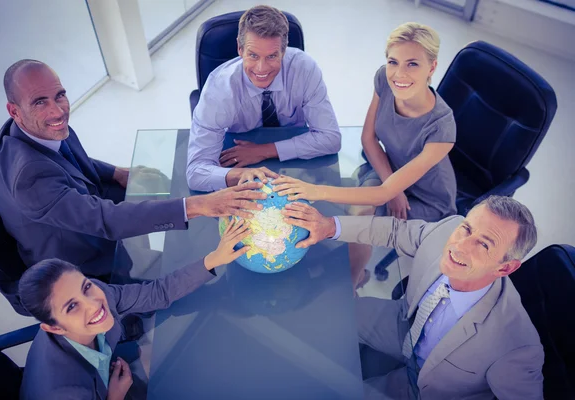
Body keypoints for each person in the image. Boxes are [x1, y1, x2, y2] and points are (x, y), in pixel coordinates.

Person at [0, 59, 268, 277]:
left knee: (162, 180)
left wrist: (118, 173)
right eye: (40, 102)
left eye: (60, 95)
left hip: (78, 205)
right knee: (177, 264)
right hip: (76, 260)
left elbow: (70, 160)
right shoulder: (29, 178)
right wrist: (199, 206)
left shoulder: (30, 129)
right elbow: (105, 220)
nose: (58, 111)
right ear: (14, 111)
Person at [281, 196, 543, 399]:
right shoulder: (447, 229)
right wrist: (329, 226)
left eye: (484, 244)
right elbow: (394, 231)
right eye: (467, 229)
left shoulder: (515, 346)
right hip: (403, 326)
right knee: (324, 311)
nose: (460, 246)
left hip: (424, 392)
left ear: (505, 268)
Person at [273, 22, 457, 286]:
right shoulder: (385, 78)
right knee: (357, 212)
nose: (399, 74)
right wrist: (392, 187)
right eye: (393, 61)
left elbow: (383, 193)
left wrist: (314, 190)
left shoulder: (443, 127)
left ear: (432, 67)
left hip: (428, 197)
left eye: (413, 64)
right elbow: (368, 139)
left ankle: (350, 284)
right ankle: (356, 276)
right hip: (389, 171)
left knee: (355, 220)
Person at [19, 219, 251, 400]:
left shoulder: (97, 292)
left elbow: (156, 293)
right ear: (53, 328)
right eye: (72, 306)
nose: (94, 303)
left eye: (86, 286)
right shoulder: (65, 394)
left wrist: (214, 259)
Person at [186, 5, 342, 192]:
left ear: (283, 51)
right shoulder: (218, 89)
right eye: (253, 55)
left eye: (271, 56)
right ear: (240, 49)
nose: (261, 68)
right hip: (238, 157)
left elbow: (331, 139)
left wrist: (263, 151)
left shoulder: (304, 69)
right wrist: (241, 176)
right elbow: (195, 172)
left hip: (298, 162)